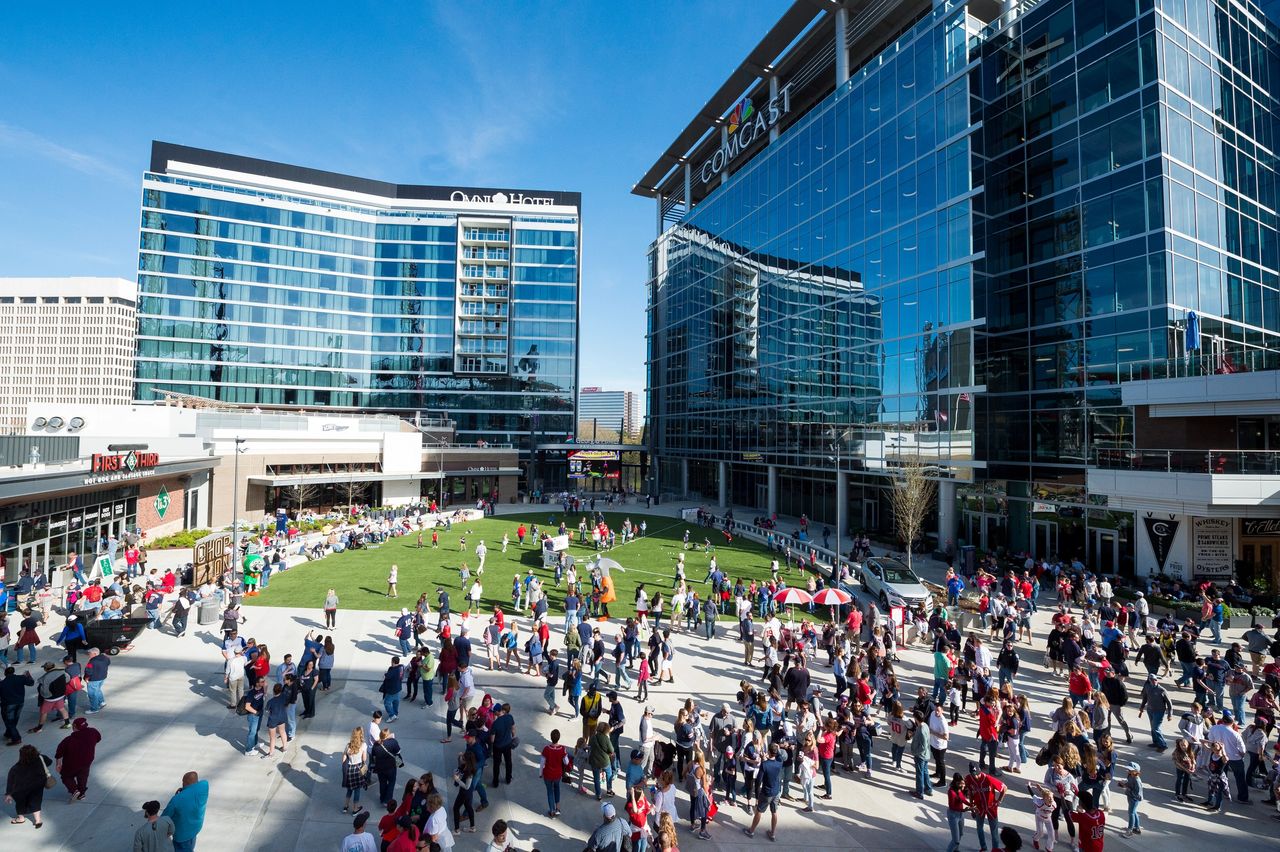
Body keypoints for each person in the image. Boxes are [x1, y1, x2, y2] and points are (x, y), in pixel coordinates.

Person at [4, 744, 52, 828]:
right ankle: (38, 820)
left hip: (21, 789)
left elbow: (10, 781)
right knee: (36, 801)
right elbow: (49, 762)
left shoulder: (15, 768)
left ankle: (21, 818)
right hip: (37, 786)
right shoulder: (40, 758)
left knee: (20, 803)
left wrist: (9, 794)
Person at [743, 742, 784, 842]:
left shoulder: (765, 765)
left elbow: (759, 779)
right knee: (774, 812)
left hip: (766, 792)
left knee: (759, 811)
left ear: (768, 752)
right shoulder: (779, 761)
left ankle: (751, 831)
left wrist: (762, 759)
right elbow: (778, 754)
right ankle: (772, 833)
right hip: (776, 791)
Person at [54, 717, 100, 801]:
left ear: (75, 726)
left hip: (71, 764)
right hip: (87, 761)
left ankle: (74, 790)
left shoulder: (68, 740)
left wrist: (58, 764)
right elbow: (98, 738)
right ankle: (82, 794)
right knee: (83, 777)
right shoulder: (93, 732)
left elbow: (59, 753)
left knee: (66, 776)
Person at [161, 770, 209, 852]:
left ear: (186, 782)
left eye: (183, 782)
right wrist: (185, 790)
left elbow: (165, 817)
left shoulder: (177, 799)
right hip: (195, 827)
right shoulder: (205, 786)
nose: (182, 783)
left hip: (182, 835)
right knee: (191, 844)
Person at [0, 666, 34, 746]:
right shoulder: (21, 678)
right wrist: (28, 675)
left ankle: (16, 738)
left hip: (8, 704)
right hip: (20, 702)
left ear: (5, 674)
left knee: (9, 721)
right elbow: (31, 683)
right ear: (13, 672)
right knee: (15, 719)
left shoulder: (2, 684)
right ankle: (9, 732)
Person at [540, 728, 569, 817]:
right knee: (557, 788)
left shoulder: (546, 749)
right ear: (559, 738)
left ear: (551, 737)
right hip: (557, 774)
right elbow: (566, 762)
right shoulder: (562, 749)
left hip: (548, 774)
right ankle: (558, 808)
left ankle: (552, 810)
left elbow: (542, 763)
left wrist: (540, 773)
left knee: (549, 791)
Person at [341, 728, 369, 814]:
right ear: (361, 735)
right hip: (358, 769)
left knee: (349, 789)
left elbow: (343, 759)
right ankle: (355, 809)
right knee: (357, 790)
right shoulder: (363, 745)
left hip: (350, 769)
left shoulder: (348, 745)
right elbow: (364, 759)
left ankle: (345, 807)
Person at [84, 646, 110, 714]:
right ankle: (101, 702)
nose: (89, 655)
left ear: (95, 654)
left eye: (90, 653)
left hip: (94, 679)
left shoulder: (92, 661)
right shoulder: (105, 658)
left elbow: (88, 671)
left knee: (92, 694)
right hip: (103, 677)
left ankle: (94, 709)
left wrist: (86, 678)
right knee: (98, 689)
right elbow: (108, 663)